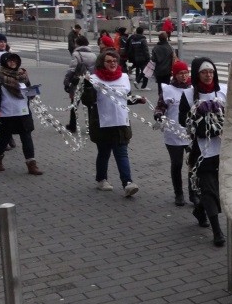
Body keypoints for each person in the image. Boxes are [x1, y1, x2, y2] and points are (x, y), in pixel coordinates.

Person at [81, 48, 146, 197]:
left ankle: (127, 183)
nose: (112, 63)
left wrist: (137, 99)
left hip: (121, 122)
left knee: (121, 153)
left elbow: (125, 98)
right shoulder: (94, 79)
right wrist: (88, 86)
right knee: (104, 153)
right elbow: (87, 101)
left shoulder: (123, 77)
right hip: (102, 122)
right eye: (109, 61)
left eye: (115, 61)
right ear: (102, 63)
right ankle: (101, 179)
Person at [188, 57, 228, 247]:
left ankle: (200, 209)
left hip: (222, 150)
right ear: (197, 74)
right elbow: (183, 121)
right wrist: (203, 125)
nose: (208, 75)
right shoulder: (188, 96)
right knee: (209, 189)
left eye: (211, 71)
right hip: (202, 152)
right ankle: (217, 231)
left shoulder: (223, 92)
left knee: (216, 188)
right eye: (204, 72)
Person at [0, 52, 43, 175]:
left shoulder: (22, 74)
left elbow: (28, 89)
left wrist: (32, 93)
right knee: (4, 139)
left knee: (27, 138)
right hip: (6, 113)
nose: (12, 63)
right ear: (4, 62)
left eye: (14, 60)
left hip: (23, 112)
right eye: (9, 61)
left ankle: (31, 164)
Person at [154, 59, 193, 207]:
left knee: (193, 165)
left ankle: (193, 193)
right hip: (174, 133)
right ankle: (179, 194)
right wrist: (158, 114)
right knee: (177, 164)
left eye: (185, 73)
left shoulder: (193, 88)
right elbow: (160, 107)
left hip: (190, 134)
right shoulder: (168, 90)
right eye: (180, 73)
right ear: (174, 75)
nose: (184, 76)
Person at [65, 34, 96, 133]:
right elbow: (94, 70)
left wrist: (66, 81)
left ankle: (72, 125)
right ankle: (92, 126)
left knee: (74, 105)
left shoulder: (76, 54)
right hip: (89, 83)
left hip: (77, 82)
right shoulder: (93, 54)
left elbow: (72, 69)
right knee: (89, 105)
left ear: (77, 44)